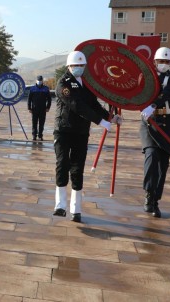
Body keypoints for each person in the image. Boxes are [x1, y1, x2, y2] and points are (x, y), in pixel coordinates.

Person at [53, 51, 115, 223]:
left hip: (80, 132)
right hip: (63, 130)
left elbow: (93, 104)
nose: (79, 68)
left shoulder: (85, 85)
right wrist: (100, 121)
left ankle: (76, 209)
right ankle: (60, 205)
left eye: (81, 66)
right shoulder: (63, 83)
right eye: (75, 65)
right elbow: (76, 105)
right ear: (69, 66)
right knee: (62, 163)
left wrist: (110, 117)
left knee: (77, 168)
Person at [139, 47, 170, 218]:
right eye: (161, 61)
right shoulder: (146, 77)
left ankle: (155, 200)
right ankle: (149, 194)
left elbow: (169, 93)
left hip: (167, 124)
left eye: (167, 62)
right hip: (149, 124)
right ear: (155, 62)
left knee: (162, 165)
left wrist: (154, 104)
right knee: (151, 156)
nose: (164, 64)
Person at [28, 75, 52, 141]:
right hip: (34, 109)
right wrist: (29, 108)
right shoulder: (32, 89)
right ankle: (34, 136)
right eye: (38, 81)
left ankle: (40, 136)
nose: (39, 82)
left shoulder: (46, 89)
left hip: (43, 109)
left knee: (41, 123)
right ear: (36, 81)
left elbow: (49, 99)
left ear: (42, 81)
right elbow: (29, 99)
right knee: (34, 123)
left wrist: (48, 107)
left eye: (40, 81)